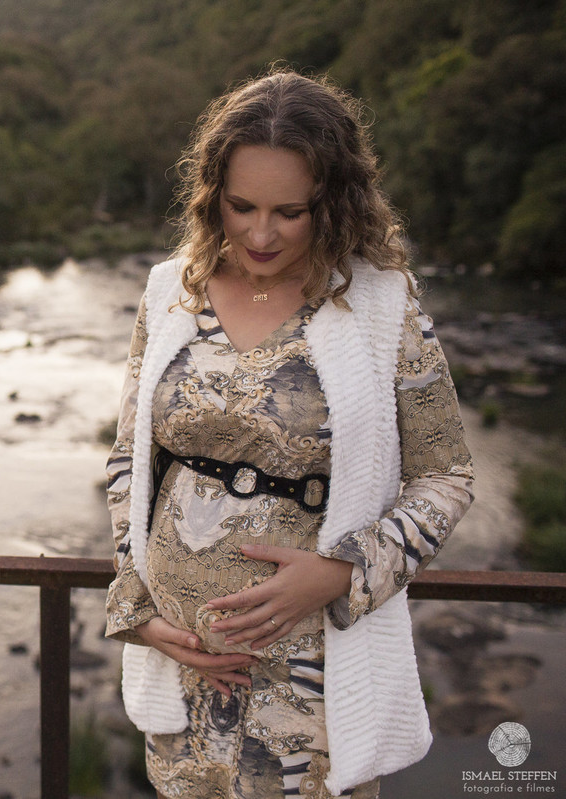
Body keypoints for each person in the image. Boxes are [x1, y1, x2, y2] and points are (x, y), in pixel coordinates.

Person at [104, 68, 474, 799]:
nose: (261, 233)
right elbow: (129, 462)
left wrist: (342, 573)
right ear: (212, 195)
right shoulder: (168, 291)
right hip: (184, 670)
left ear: (333, 203)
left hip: (312, 677)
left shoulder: (379, 304)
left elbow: (448, 475)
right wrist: (136, 606)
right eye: (241, 207)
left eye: (290, 212)